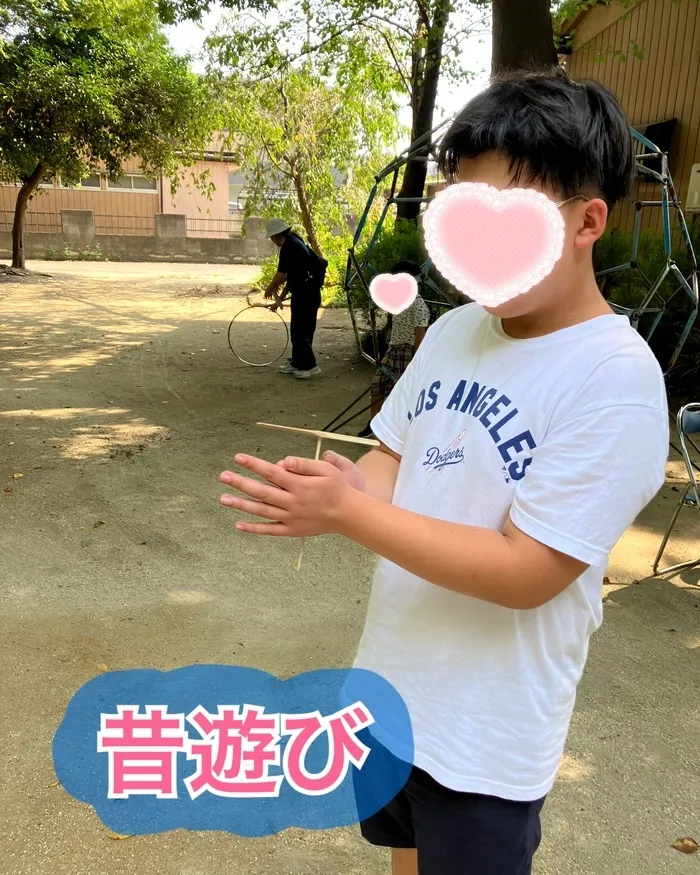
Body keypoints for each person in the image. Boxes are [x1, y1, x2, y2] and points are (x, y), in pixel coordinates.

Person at [220, 69, 669, 875]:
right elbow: (396, 456)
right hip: (396, 693)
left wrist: (355, 515)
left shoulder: (615, 378)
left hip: (487, 734)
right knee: (404, 856)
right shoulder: (458, 330)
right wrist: (341, 490)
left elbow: (528, 571)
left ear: (586, 221)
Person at [358, 261, 431, 439]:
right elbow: (391, 322)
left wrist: (417, 363)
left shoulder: (418, 305)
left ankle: (402, 431)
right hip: (393, 349)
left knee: (404, 394)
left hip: (408, 352)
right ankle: (373, 424)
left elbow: (420, 337)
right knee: (378, 385)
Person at [263, 218, 324, 379]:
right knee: (301, 330)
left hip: (307, 295)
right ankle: (298, 362)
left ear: (276, 235)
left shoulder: (289, 247)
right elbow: (292, 277)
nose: (271, 240)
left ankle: (310, 366)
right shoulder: (294, 240)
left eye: (271, 237)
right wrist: (279, 299)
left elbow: (280, 275)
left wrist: (269, 288)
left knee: (300, 331)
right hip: (305, 293)